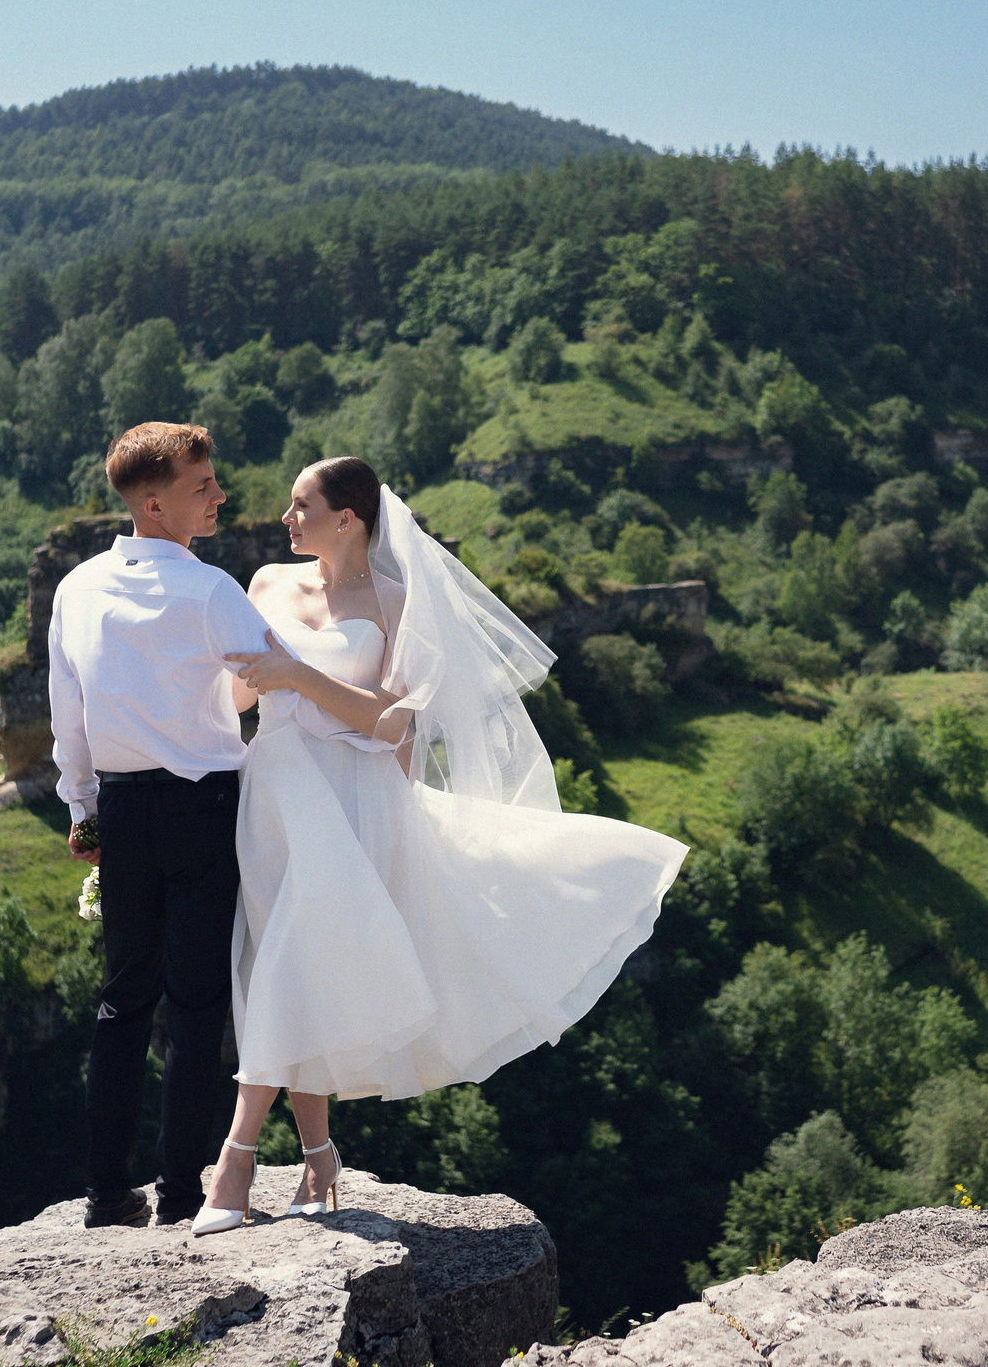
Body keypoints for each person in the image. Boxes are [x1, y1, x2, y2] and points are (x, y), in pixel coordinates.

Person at [188, 456, 689, 1234]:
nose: (285, 519)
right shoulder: (264, 585)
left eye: (301, 505)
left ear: (347, 517)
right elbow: (240, 698)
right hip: (274, 790)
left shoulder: (394, 601)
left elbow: (393, 722)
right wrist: (251, 675)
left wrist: (298, 672)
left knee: (291, 952)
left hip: (350, 794)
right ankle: (318, 1154)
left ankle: (236, 1159)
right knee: (284, 959)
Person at [47, 422, 284, 1229]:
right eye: (201, 486)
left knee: (122, 1002)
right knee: (195, 1004)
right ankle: (183, 1193)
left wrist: (82, 810)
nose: (220, 495)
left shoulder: (75, 589)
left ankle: (106, 1191)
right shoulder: (213, 591)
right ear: (154, 504)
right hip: (205, 807)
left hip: (121, 808)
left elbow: (67, 716)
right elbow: (272, 680)